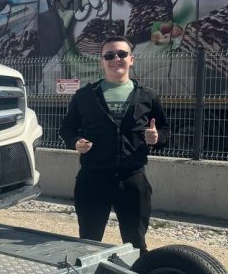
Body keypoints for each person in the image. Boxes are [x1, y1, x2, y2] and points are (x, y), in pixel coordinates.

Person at [59, 36, 169, 256]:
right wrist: (75, 142)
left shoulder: (148, 96)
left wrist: (157, 137)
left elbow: (165, 130)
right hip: (93, 178)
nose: (115, 59)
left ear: (131, 59)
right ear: (102, 62)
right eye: (109, 55)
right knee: (88, 242)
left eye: (121, 54)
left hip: (132, 179)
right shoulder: (85, 95)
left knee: (136, 244)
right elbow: (67, 129)